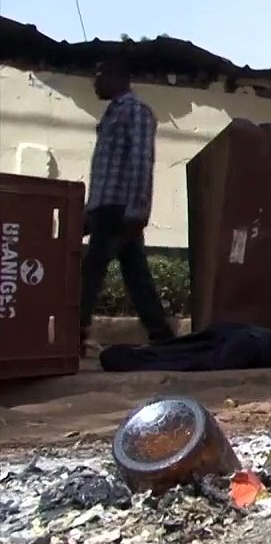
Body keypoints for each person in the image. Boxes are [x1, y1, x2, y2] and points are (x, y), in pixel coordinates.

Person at [81, 59, 175, 350]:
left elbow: (141, 162)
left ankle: (72, 331)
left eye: (98, 76)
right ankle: (161, 335)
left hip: (119, 209)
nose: (94, 83)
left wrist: (137, 210)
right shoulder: (113, 112)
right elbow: (106, 169)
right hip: (107, 206)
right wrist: (90, 209)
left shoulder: (135, 110)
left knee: (90, 271)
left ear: (116, 77)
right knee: (135, 274)